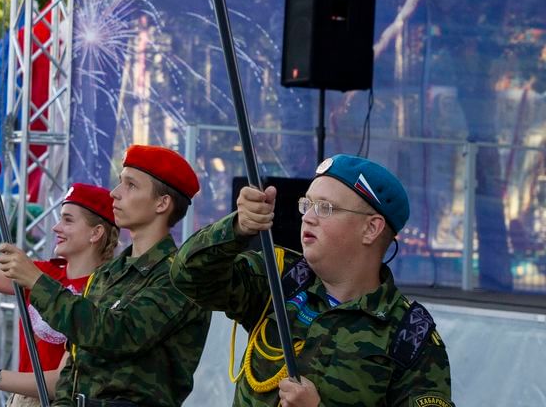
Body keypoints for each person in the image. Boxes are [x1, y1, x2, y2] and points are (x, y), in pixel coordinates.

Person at [172, 153, 454, 407]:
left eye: (326, 208)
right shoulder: (279, 277)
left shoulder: (410, 335)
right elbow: (187, 276)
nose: (308, 217)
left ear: (371, 228)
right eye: (307, 205)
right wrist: (237, 228)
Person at [0, 145, 211, 407]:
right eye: (120, 182)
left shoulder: (178, 277)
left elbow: (117, 334)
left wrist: (38, 283)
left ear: (162, 203)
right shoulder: (107, 273)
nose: (115, 193)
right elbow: (74, 366)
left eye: (130, 185)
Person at [0, 183, 117, 406]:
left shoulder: (106, 290)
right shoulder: (43, 273)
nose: (55, 227)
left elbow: (64, 380)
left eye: (68, 220)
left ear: (96, 233)